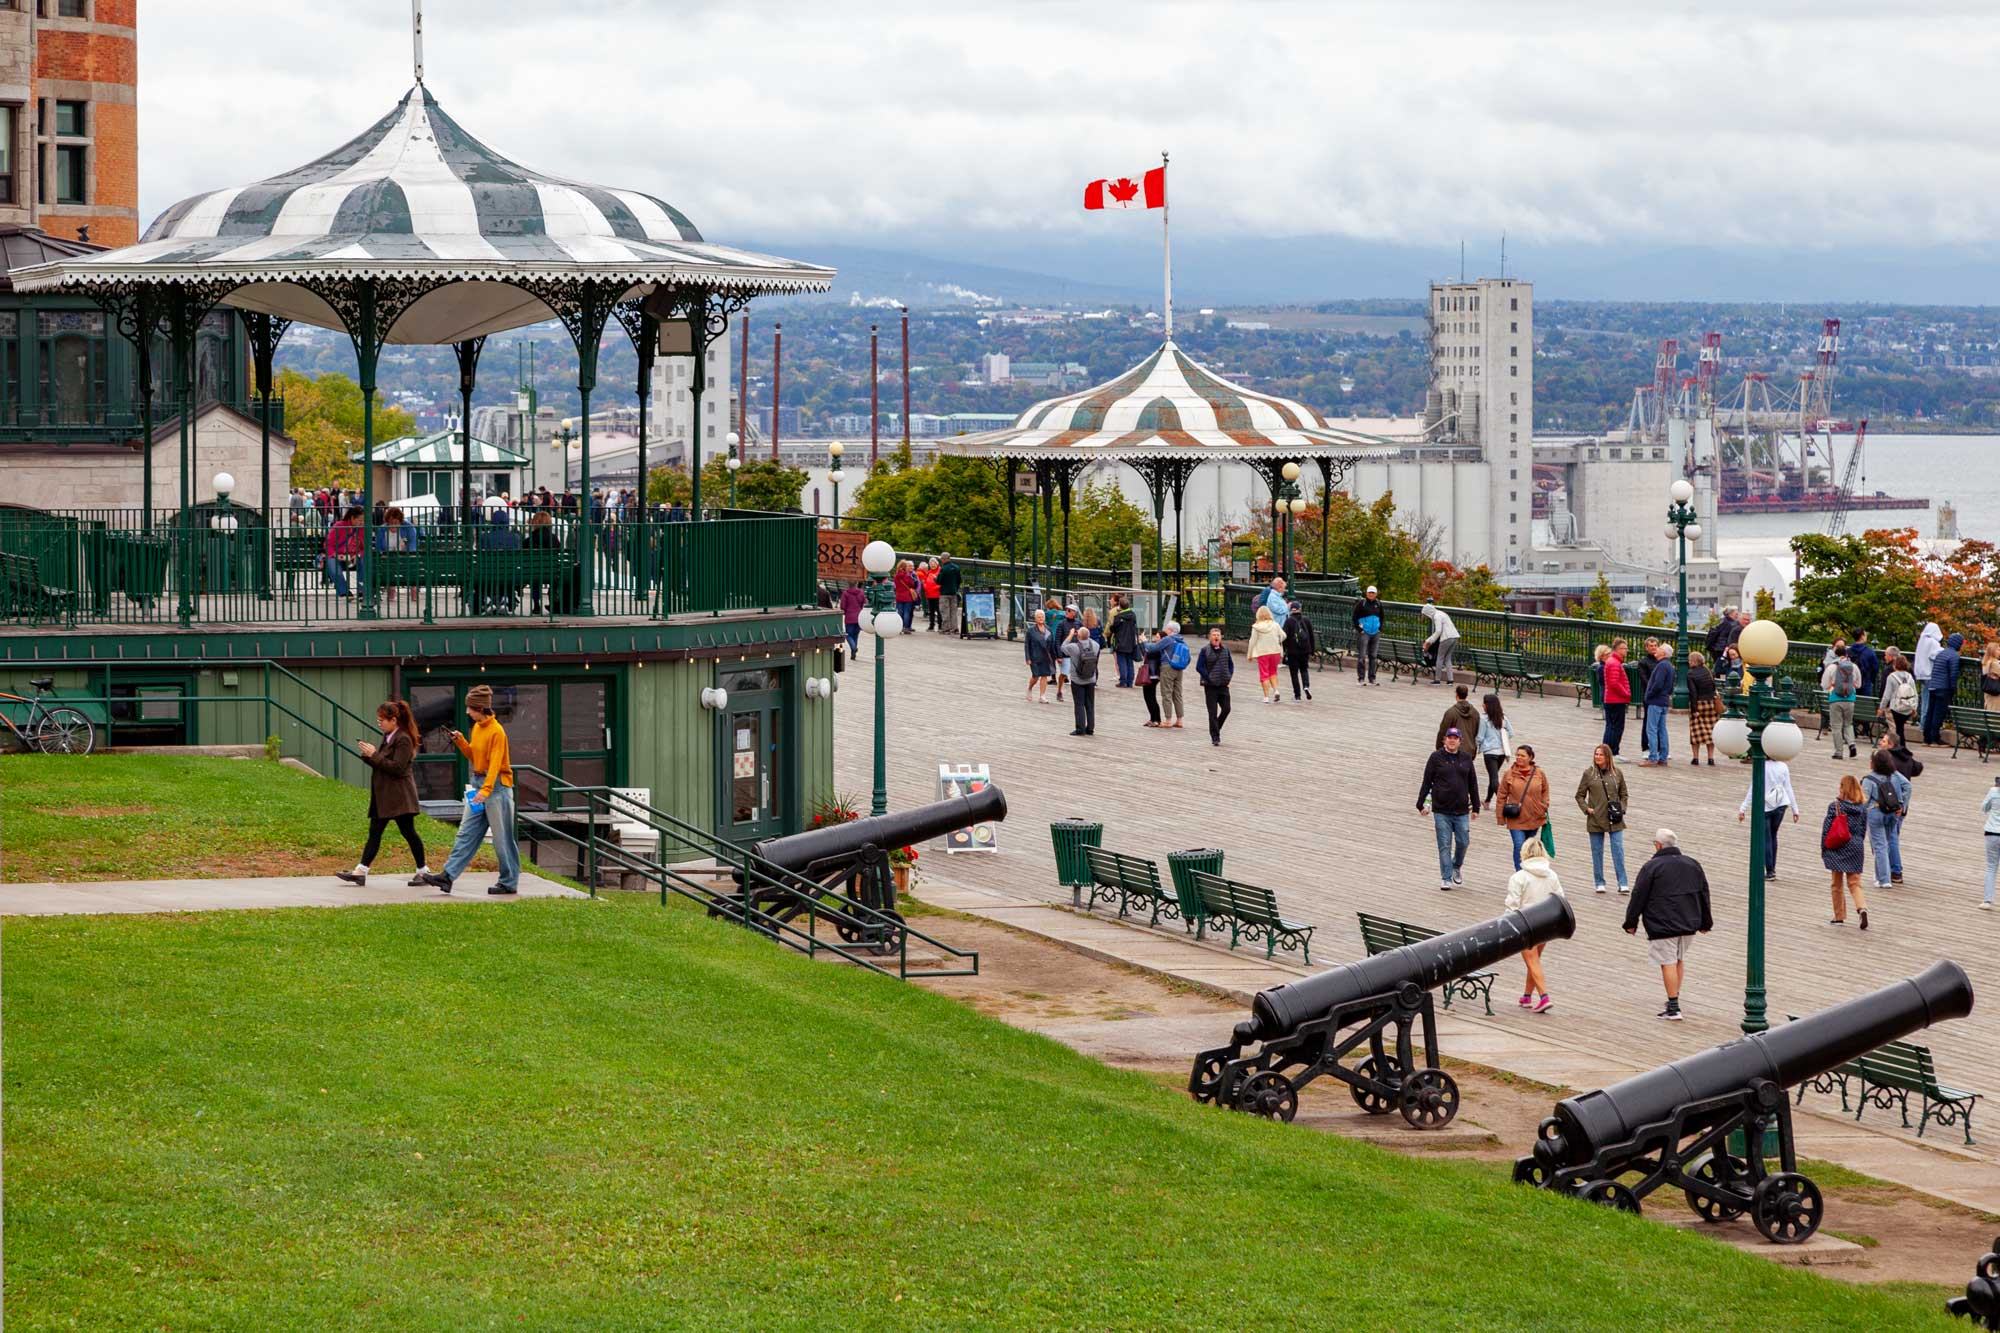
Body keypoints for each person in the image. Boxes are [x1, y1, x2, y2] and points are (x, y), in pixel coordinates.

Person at [417, 684, 519, 895]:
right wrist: (462, 742)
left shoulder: (497, 732)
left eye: (470, 708)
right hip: (480, 785)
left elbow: (495, 764)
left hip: (496, 788)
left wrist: (486, 790)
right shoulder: (479, 728)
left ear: (480, 708)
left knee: (502, 839)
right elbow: (476, 757)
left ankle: (509, 882)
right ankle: (447, 876)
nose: (467, 712)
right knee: (466, 834)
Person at [335, 698, 432, 887]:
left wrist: (374, 755)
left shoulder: (403, 738)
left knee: (408, 832)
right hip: (386, 796)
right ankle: (361, 871)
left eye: (382, 720)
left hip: (399, 797)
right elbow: (383, 764)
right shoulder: (390, 737)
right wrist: (368, 756)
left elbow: (397, 768)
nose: (379, 724)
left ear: (393, 720)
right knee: (376, 832)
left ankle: (423, 871)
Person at [1623, 830, 1712, 1022]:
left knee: (1668, 962)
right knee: (1678, 959)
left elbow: (1639, 895)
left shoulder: (1652, 867)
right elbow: (1704, 893)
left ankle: (1673, 1007)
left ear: (1658, 845)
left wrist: (1631, 922)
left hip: (1662, 923)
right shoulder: (1693, 864)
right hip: (1689, 922)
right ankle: (1674, 1000)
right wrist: (1706, 922)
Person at [1417, 726, 1481, 891]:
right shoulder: (1436, 758)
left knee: (1463, 842)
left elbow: (1472, 783)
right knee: (1444, 844)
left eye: (1455, 738)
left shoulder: (1466, 758)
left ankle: (1456, 866)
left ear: (1460, 741)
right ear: (1444, 739)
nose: (1452, 740)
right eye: (1449, 737)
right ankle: (1446, 877)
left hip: (1461, 810)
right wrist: (1421, 804)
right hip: (1441, 810)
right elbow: (1427, 781)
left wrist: (1476, 806)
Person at [1505, 837, 1564, 1011]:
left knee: (1532, 961)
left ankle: (1544, 996)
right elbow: (1560, 899)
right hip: (1547, 923)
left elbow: (1512, 905)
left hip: (1525, 923)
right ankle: (1527, 996)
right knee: (1534, 960)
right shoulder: (1552, 875)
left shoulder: (1519, 877)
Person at [1576, 743, 1632, 895]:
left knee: (1618, 850)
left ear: (1608, 757)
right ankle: (1599, 882)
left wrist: (1622, 808)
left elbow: (1624, 794)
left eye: (1601, 754)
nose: (1598, 757)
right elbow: (1579, 795)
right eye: (1596, 754)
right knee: (1597, 851)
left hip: (1615, 819)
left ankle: (1623, 882)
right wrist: (1586, 809)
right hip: (1596, 818)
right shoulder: (1589, 773)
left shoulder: (1617, 773)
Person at [1738, 756, 1800, 879]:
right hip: (1781, 804)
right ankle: (1772, 869)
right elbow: (1788, 787)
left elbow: (1753, 788)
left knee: (1766, 837)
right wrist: (1795, 809)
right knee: (1773, 835)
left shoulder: (1761, 766)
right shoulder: (1783, 766)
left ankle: (1769, 870)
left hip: (1764, 806)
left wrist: (1743, 808)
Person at [1822, 774, 1870, 929]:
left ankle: (1839, 916)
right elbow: (1863, 829)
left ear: (1843, 788)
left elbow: (1827, 828)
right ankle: (1862, 908)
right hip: (1856, 845)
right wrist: (1857, 843)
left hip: (1838, 845)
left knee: (1836, 884)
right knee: (1855, 883)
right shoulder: (1862, 808)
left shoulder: (1836, 806)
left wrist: (1824, 847)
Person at [1863, 749, 1912, 898]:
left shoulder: (1869, 779)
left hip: (1876, 812)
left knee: (1879, 846)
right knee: (1888, 842)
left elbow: (1864, 801)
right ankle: (1879, 876)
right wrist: (1902, 804)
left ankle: (1884, 879)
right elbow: (1908, 786)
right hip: (1892, 812)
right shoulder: (1895, 775)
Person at [1494, 744, 1550, 871]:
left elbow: (1545, 790)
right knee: (1519, 845)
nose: (1519, 758)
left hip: (1534, 817)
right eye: (1517, 755)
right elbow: (1501, 795)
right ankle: (1520, 873)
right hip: (1516, 818)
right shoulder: (1509, 774)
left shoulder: (1539, 773)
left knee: (1529, 847)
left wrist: (1544, 805)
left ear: (1530, 757)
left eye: (1522, 756)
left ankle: (1528, 870)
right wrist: (1500, 817)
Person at [1822, 643, 1863, 760]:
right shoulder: (1854, 667)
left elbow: (1824, 684)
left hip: (1835, 699)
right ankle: (1852, 744)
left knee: (1836, 726)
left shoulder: (1832, 666)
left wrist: (1832, 685)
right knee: (1848, 724)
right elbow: (1859, 685)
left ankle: (1839, 752)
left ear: (1836, 654)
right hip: (1850, 699)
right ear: (1847, 654)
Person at [1061, 621, 1101, 736]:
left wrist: (1070, 635)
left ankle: (1080, 729)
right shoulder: (1095, 646)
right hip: (1091, 679)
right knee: (1090, 704)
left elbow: (1063, 647)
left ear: (1078, 636)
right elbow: (1090, 640)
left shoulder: (1073, 647)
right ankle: (1090, 728)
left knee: (1079, 704)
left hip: (1077, 679)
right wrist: (1084, 634)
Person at [1196, 626, 1234, 746]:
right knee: (1212, 712)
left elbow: (1231, 665)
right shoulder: (1205, 650)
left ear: (1221, 637)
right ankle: (1215, 736)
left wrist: (1229, 676)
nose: (1216, 637)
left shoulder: (1225, 650)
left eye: (1218, 635)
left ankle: (1216, 727)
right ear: (1210, 637)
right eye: (1214, 635)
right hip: (1211, 686)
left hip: (1223, 684)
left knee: (1226, 709)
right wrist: (1208, 678)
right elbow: (1199, 667)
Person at [1926, 631, 1965, 746]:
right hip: (1943, 688)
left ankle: (1927, 737)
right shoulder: (1954, 656)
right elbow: (1953, 675)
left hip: (1933, 686)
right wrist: (1954, 689)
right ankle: (1934, 738)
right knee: (1938, 714)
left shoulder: (1941, 653)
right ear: (1958, 644)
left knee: (1930, 712)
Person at [1641, 640, 1674, 765]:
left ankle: (1653, 756)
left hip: (1656, 701)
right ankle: (1663, 756)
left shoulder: (1661, 665)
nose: (1657, 649)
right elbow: (1670, 686)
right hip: (1664, 700)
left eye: (1659, 648)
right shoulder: (1669, 666)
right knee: (1662, 729)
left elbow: (1657, 684)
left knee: (1652, 729)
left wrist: (1649, 695)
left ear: (1663, 653)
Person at [1686, 649, 1721, 766]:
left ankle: (1695, 758)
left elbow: (1693, 693)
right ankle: (1711, 758)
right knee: (1711, 731)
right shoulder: (1708, 671)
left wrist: (1694, 709)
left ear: (1694, 662)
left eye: (1690, 660)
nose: (1688, 662)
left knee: (1695, 732)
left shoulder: (1690, 674)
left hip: (1699, 704)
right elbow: (1713, 687)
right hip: (1711, 703)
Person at [1475, 693, 1511, 802]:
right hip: (1502, 752)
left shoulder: (1483, 719)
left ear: (1487, 705)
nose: (1482, 705)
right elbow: (1511, 732)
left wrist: (1475, 746)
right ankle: (1487, 801)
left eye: (1484, 703)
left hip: (1490, 752)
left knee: (1494, 778)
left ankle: (1504, 802)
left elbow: (1480, 737)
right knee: (1493, 776)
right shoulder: (1503, 717)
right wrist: (1502, 737)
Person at [323, 504, 365, 597]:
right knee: (333, 566)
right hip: (337, 556)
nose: (362, 523)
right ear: (352, 518)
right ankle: (344, 592)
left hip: (354, 557)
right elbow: (328, 544)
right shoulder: (340, 525)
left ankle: (362, 590)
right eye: (360, 520)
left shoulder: (363, 529)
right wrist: (337, 555)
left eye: (363, 520)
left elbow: (365, 548)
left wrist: (357, 555)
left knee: (364, 560)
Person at [1882, 649, 1920, 747]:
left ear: (1895, 665)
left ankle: (1898, 747)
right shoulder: (1910, 677)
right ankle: (1902, 747)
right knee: (1901, 728)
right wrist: (1914, 708)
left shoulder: (1891, 676)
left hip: (1895, 706)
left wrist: (1881, 707)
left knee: (1897, 728)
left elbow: (1886, 695)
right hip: (1907, 706)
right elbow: (1915, 693)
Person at [1247, 604, 1284, 704]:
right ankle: (1276, 690)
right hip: (1275, 651)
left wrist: (1249, 654)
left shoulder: (1256, 627)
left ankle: (1266, 697)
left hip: (1262, 652)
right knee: (1273, 672)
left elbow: (1252, 641)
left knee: (1264, 674)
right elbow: (1283, 635)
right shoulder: (1275, 625)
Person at [1601, 638, 1631, 758]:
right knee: (1616, 727)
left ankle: (1607, 751)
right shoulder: (1614, 663)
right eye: (1624, 648)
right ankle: (1613, 752)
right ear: (1617, 649)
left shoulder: (1612, 661)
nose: (1626, 651)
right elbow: (1614, 683)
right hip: (1616, 699)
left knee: (1610, 726)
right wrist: (1626, 693)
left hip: (1611, 699)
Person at [1156, 619, 1189, 730]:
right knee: (1178, 694)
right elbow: (1188, 658)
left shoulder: (1168, 639)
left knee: (1166, 693)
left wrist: (1144, 642)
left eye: (1167, 629)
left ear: (1170, 630)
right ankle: (1179, 720)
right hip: (1179, 669)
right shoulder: (1182, 641)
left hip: (1167, 667)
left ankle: (1168, 720)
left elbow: (1154, 648)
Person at [1914, 621, 1944, 740]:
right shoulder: (1932, 642)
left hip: (1921, 674)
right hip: (1929, 674)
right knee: (1929, 702)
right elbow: (1935, 655)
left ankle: (1922, 722)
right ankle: (1925, 724)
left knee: (1924, 699)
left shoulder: (1922, 641)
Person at [1282, 600, 1316, 701]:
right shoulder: (1306, 620)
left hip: (1293, 652)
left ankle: (1297, 695)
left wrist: (1285, 650)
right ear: (1300, 609)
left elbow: (1285, 637)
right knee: (1304, 669)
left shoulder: (1289, 621)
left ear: (1291, 609)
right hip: (1305, 650)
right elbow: (1311, 636)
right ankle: (1306, 686)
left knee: (1294, 673)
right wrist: (1312, 650)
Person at [1419, 600, 1459, 684]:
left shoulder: (1437, 617)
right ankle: (1450, 680)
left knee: (1440, 658)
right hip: (1454, 636)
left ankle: (1437, 679)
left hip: (1446, 637)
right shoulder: (1441, 613)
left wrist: (1428, 641)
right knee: (1447, 658)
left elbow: (1438, 631)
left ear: (1428, 613)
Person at [1352, 584, 1384, 685]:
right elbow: (1354, 617)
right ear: (1366, 593)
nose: (1371, 594)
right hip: (1364, 632)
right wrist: (1359, 629)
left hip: (1375, 633)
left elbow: (1382, 617)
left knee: (1373, 656)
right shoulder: (1362, 603)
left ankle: (1372, 678)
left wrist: (1379, 629)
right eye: (1369, 592)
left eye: (1373, 593)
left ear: (1376, 594)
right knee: (1362, 656)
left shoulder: (1378, 604)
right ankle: (1361, 678)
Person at [1109, 595, 1140, 688]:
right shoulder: (1133, 615)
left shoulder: (1118, 617)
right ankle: (1130, 682)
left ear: (1120, 606)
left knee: (1121, 662)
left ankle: (1123, 682)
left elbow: (1113, 628)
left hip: (1120, 642)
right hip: (1131, 642)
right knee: (1129, 662)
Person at [1438, 683, 1481, 752]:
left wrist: (1439, 747)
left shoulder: (1451, 712)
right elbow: (1477, 732)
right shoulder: (1475, 713)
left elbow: (1443, 731)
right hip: (1470, 749)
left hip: (1453, 749)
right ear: (1466, 695)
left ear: (1456, 695)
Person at [1024, 609, 1055, 703]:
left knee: (1045, 675)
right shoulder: (1031, 631)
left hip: (1046, 656)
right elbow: (1027, 645)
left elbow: (1051, 643)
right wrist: (1028, 658)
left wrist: (1055, 656)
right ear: (1035, 618)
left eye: (1042, 617)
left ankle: (1042, 696)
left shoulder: (1048, 629)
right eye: (1039, 617)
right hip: (1035, 656)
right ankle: (1029, 688)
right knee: (1036, 676)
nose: (1041, 618)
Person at [1138, 628, 1164, 726]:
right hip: (1150, 674)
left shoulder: (1158, 648)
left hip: (1153, 675)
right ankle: (1152, 718)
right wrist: (1141, 642)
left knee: (1151, 697)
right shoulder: (1155, 646)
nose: (1156, 639)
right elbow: (1144, 652)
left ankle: (1156, 719)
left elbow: (1148, 649)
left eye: (1158, 637)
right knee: (1148, 697)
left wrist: (1144, 640)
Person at [1982, 774, 2000, 910]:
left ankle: (1987, 900)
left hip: (1992, 832)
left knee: (1991, 867)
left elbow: (1984, 808)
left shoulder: (1994, 792)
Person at [1850, 629, 1880, 697]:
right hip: (1865, 683)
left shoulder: (1848, 651)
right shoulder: (1869, 652)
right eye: (1865, 634)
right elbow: (1875, 668)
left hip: (1851, 684)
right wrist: (1871, 680)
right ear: (1862, 637)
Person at [938, 553, 962, 637]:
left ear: (944, 559)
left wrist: (935, 578)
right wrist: (955, 587)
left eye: (941, 559)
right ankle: (955, 628)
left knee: (945, 611)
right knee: (953, 612)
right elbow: (959, 580)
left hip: (944, 593)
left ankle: (946, 629)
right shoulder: (956, 567)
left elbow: (939, 581)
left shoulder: (943, 569)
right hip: (954, 592)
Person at [840, 580, 866, 656]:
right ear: (857, 583)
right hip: (859, 617)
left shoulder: (845, 593)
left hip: (849, 617)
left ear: (848, 584)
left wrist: (845, 612)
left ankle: (853, 648)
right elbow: (864, 602)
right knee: (856, 635)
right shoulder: (861, 592)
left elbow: (843, 606)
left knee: (848, 635)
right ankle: (853, 653)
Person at [893, 558, 918, 633]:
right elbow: (912, 584)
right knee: (907, 612)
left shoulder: (896, 576)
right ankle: (906, 628)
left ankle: (899, 627)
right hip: (907, 597)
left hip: (899, 596)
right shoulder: (907, 575)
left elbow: (895, 585)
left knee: (900, 612)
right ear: (905, 567)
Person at [920, 559, 942, 631]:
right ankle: (931, 625)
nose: (932, 565)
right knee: (931, 611)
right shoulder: (928, 572)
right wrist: (926, 587)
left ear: (937, 564)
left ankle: (940, 626)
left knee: (939, 611)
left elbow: (941, 583)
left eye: (934, 563)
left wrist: (935, 588)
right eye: (931, 564)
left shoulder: (940, 571)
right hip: (929, 595)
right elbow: (924, 582)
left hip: (938, 595)